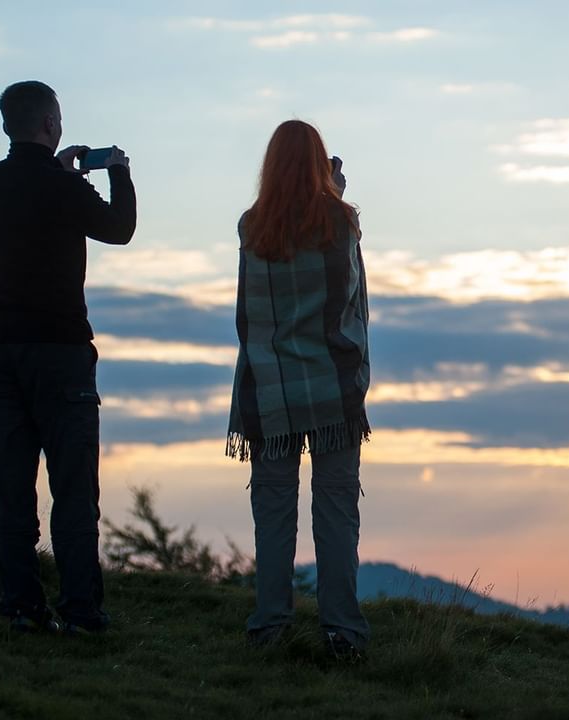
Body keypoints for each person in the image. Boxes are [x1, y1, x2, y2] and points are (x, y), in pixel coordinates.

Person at [0, 80, 136, 634]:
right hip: (61, 350)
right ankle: (81, 610)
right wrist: (118, 172)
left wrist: (62, 176)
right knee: (72, 490)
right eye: (58, 118)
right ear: (49, 124)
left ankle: (20, 607)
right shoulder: (65, 190)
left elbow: (28, 201)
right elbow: (120, 229)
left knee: (11, 490)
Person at [227, 119, 371, 660]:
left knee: (273, 510)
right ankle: (341, 632)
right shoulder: (340, 220)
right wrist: (334, 194)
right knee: (336, 511)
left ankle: (269, 625)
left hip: (269, 389)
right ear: (319, 162)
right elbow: (350, 290)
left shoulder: (251, 226)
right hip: (333, 388)